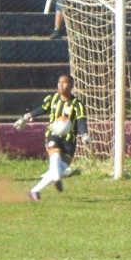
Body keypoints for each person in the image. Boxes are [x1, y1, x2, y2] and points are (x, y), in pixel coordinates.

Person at [14, 73, 91, 201]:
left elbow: (81, 120)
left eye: (65, 82)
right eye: (59, 82)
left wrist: (84, 134)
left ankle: (34, 191)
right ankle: (56, 179)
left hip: (69, 142)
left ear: (71, 86)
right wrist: (26, 117)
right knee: (55, 158)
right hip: (52, 135)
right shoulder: (52, 99)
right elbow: (42, 109)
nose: (61, 84)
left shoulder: (77, 104)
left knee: (59, 169)